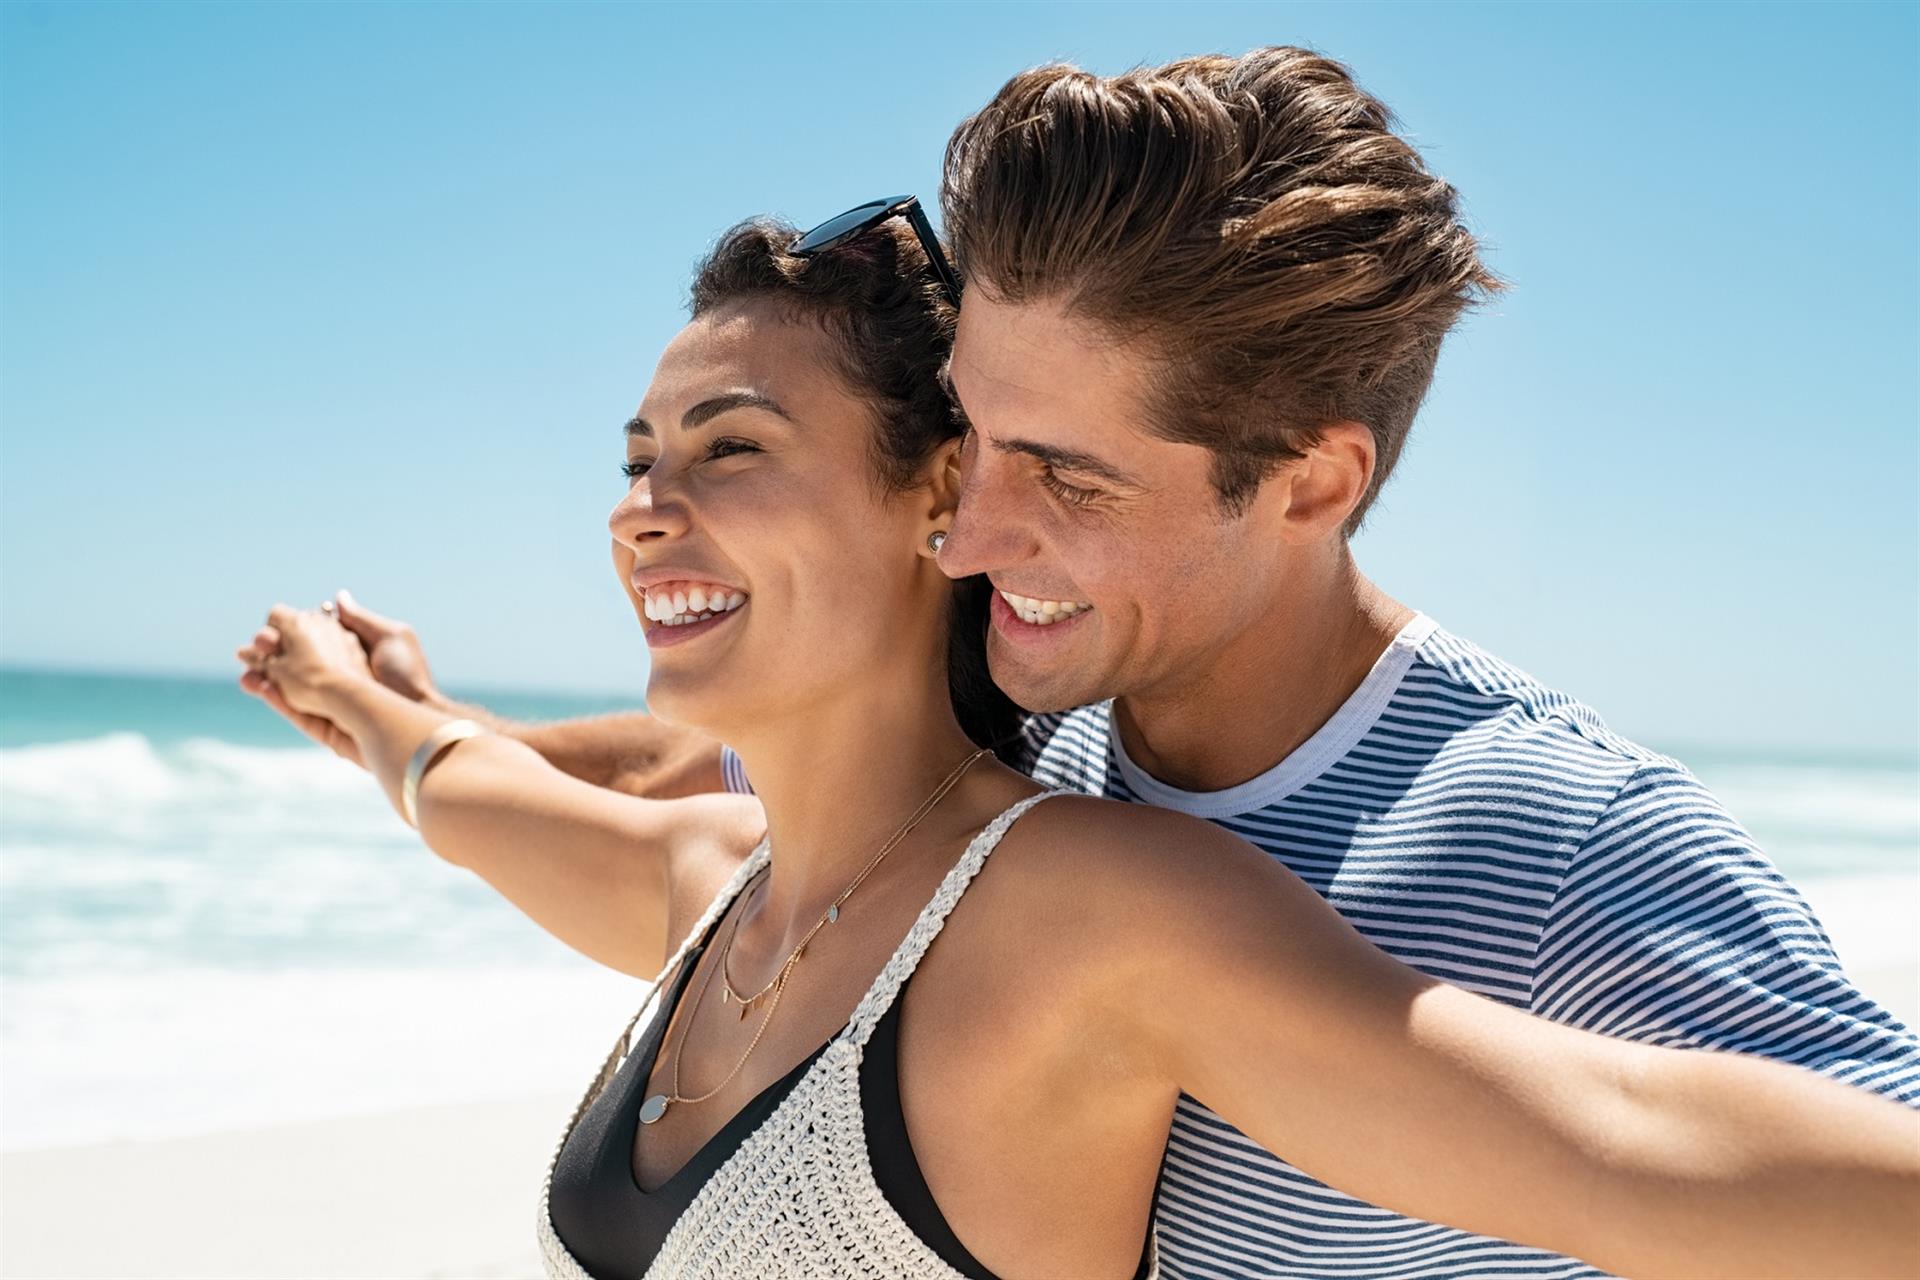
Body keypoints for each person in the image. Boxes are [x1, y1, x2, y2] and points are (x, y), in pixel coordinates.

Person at [238, 49, 1920, 1280]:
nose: (969, 533)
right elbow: (709, 769)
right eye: (971, 442)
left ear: (1313, 482)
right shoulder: (1047, 715)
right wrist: (404, 716)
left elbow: (1756, 1177)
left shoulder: (1553, 842)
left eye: (1068, 478)